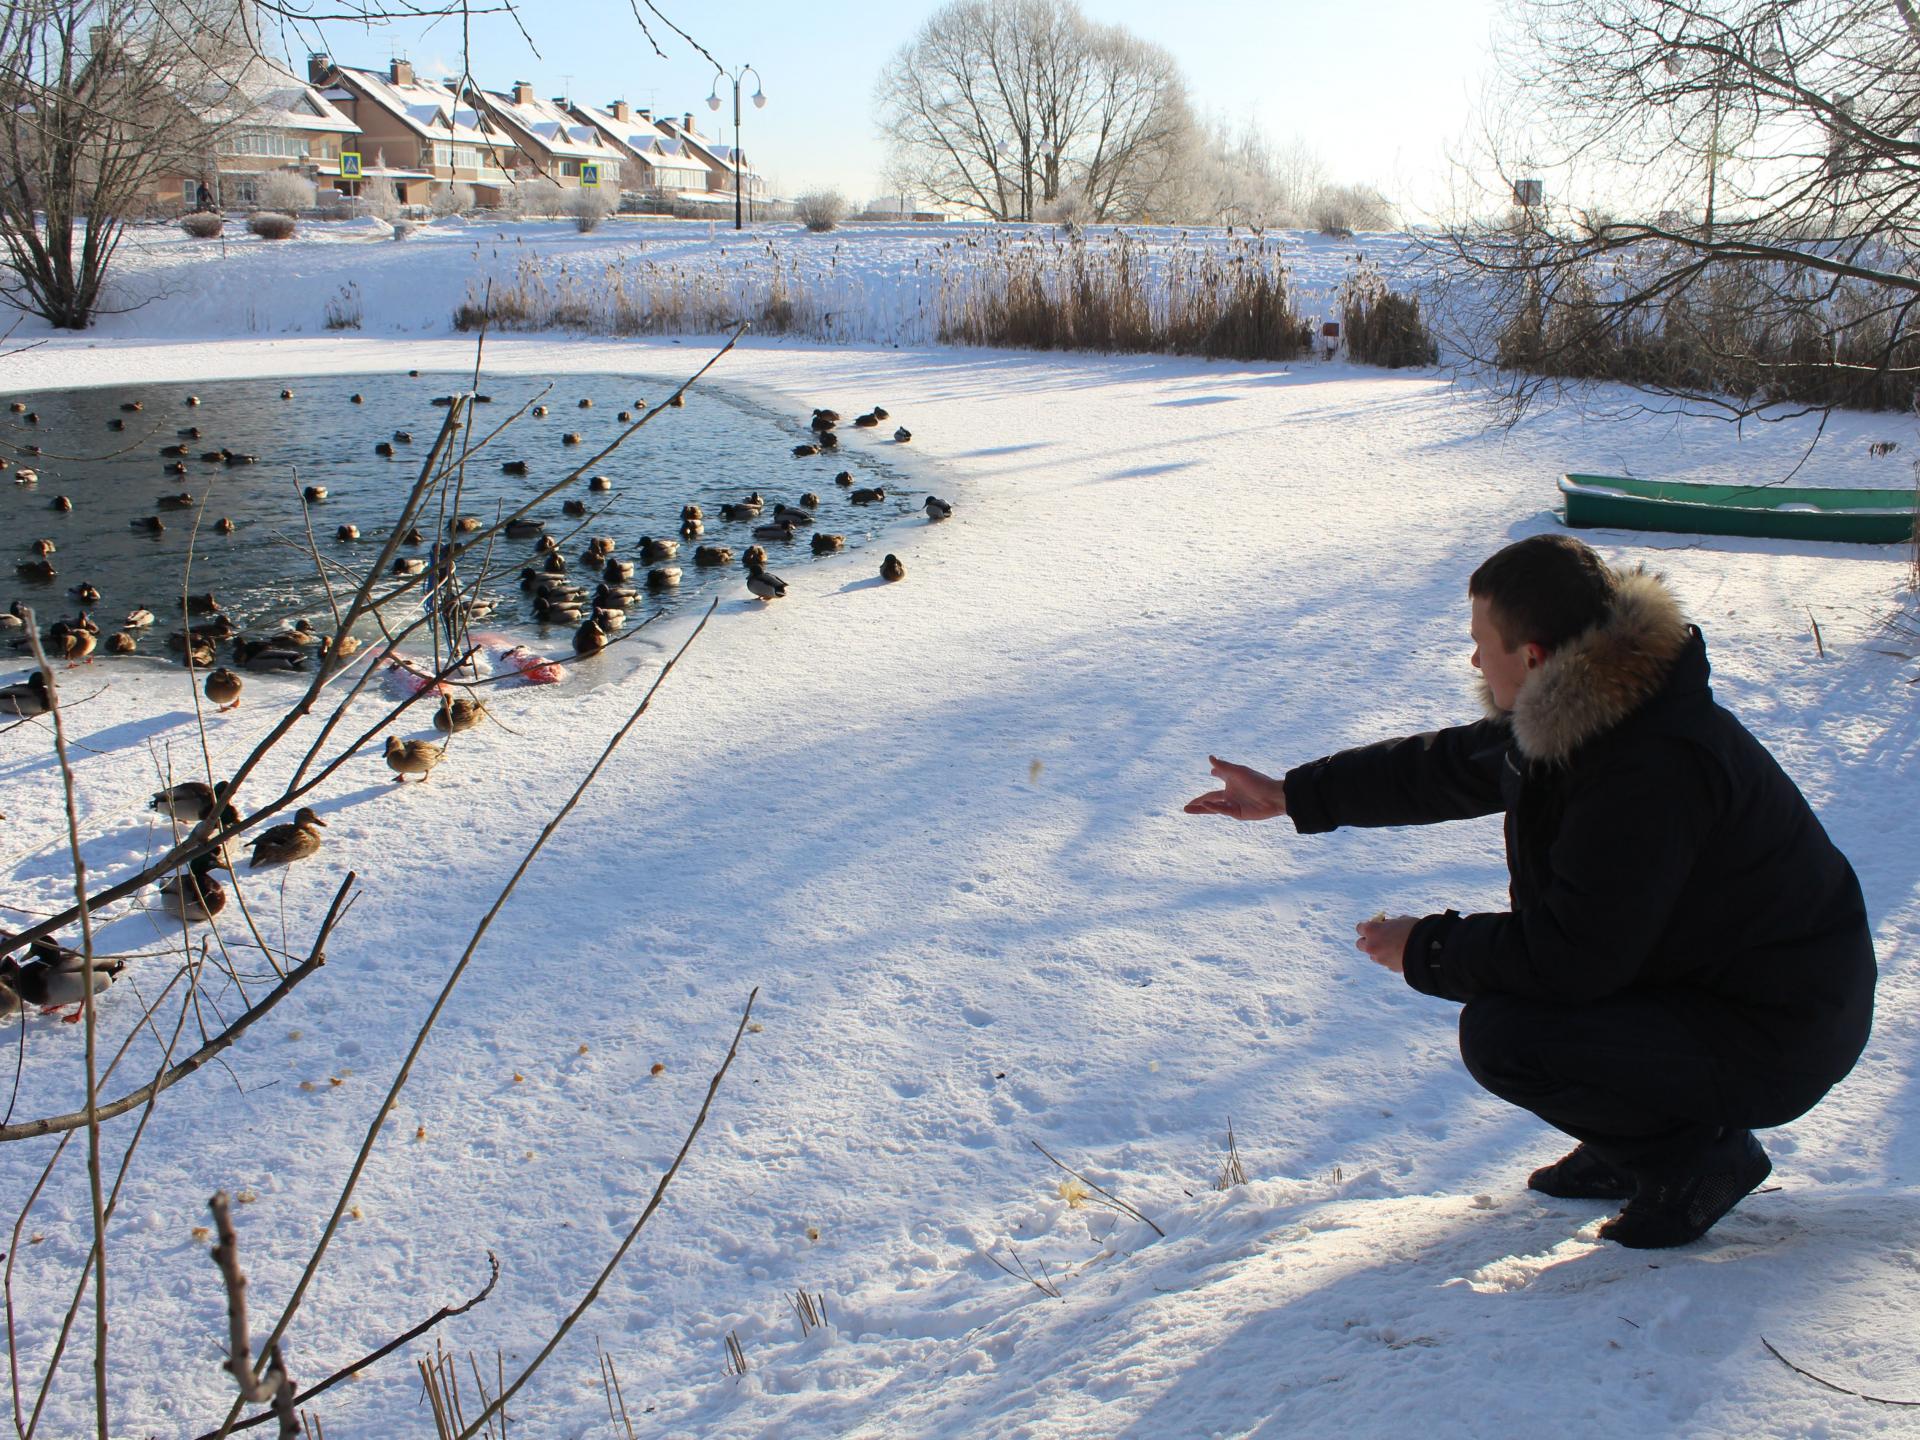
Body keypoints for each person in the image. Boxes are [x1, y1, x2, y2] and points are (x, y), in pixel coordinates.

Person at [1185, 534, 1875, 1248]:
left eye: (1484, 642)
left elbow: (1572, 959)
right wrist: (1292, 795)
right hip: (1713, 983)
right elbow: (1443, 768)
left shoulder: (1647, 769)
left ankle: (1697, 1162)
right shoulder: (1591, 709)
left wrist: (1428, 945)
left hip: (1779, 1030)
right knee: (1523, 1007)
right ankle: (1632, 1142)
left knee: (1508, 1034)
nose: (1476, 659)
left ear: (1536, 656)